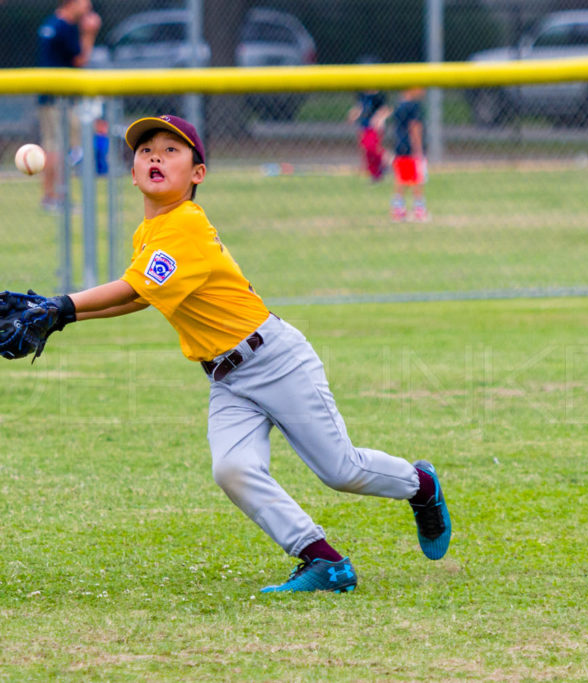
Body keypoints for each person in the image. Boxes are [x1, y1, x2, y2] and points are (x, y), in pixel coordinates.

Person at [23, 115, 452, 593]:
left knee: (341, 470)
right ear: (133, 172)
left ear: (198, 174)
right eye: (146, 151)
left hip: (275, 360)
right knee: (232, 469)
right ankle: (323, 560)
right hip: (227, 378)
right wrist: (63, 317)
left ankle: (422, 485)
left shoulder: (186, 224)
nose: (156, 157)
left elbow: (130, 287)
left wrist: (61, 305)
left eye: (171, 150)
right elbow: (141, 296)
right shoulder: (151, 234)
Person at [36, 0, 101, 211]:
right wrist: (90, 33)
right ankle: (56, 197)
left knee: (55, 146)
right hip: (59, 99)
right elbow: (81, 60)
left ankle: (52, 196)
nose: (88, 6)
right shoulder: (65, 27)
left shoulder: (51, 23)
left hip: (49, 96)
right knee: (58, 147)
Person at [376, 88, 429, 222]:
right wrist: (418, 149)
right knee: (417, 179)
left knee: (401, 179)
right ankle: (419, 210)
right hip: (411, 148)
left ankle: (398, 210)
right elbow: (414, 127)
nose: (423, 90)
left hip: (400, 146)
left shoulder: (399, 104)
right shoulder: (414, 106)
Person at [346, 89, 389, 182]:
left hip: (375, 127)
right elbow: (359, 107)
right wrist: (353, 115)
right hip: (364, 126)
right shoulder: (362, 95)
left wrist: (379, 118)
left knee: (372, 147)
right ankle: (375, 174)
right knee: (366, 150)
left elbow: (385, 110)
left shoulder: (379, 96)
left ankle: (385, 158)